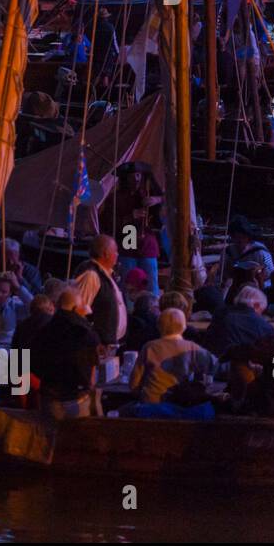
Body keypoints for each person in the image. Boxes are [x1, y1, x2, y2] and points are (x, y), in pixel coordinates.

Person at [31, 287, 103, 418]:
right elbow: (91, 370)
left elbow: (34, 364)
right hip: (78, 399)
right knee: (79, 437)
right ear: (75, 308)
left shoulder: (43, 331)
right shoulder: (85, 333)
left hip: (50, 398)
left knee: (51, 436)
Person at [129, 308, 218, 404]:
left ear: (159, 325)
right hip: (179, 403)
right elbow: (214, 363)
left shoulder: (149, 347)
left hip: (151, 403)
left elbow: (134, 383)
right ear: (184, 326)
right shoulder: (191, 347)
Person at [110, 164, 162, 296]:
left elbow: (169, 202)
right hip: (129, 233)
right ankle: (129, 311)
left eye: (138, 175)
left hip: (147, 239)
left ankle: (151, 308)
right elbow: (109, 222)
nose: (136, 179)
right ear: (125, 179)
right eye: (132, 176)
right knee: (129, 281)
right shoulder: (117, 197)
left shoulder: (148, 193)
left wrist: (158, 200)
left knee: (151, 281)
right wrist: (130, 216)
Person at [74, 234, 126, 347]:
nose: (117, 254)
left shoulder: (107, 274)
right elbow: (79, 312)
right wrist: (92, 340)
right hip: (98, 346)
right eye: (115, 251)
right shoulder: (91, 275)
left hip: (109, 344)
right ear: (105, 254)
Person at [221, 215, 274, 290]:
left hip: (258, 289)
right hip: (233, 289)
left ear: (248, 236)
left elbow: (271, 274)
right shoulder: (227, 252)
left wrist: (259, 277)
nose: (239, 240)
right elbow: (221, 275)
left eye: (242, 237)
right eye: (236, 237)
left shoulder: (260, 252)